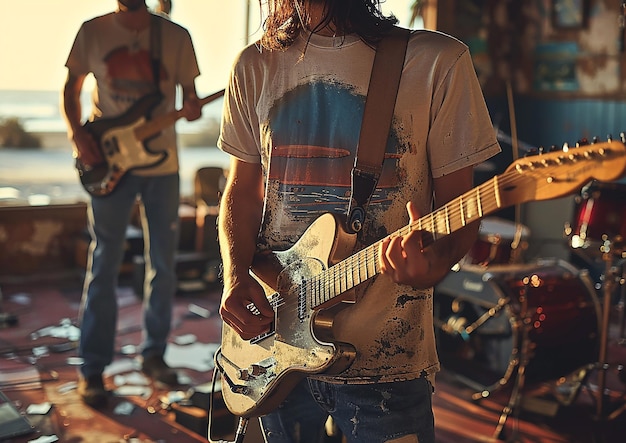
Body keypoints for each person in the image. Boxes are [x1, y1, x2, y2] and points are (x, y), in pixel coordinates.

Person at [217, 0, 501, 442]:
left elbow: (459, 206)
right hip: (273, 345)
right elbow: (241, 189)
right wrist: (235, 275)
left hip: (387, 355)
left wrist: (436, 261)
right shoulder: (255, 63)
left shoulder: (436, 62)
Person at [61, 0, 202, 408]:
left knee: (164, 262)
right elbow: (70, 90)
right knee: (103, 261)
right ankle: (92, 368)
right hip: (109, 159)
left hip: (162, 164)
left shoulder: (176, 38)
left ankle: (153, 355)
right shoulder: (92, 31)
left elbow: (189, 99)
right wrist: (77, 137)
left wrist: (191, 107)